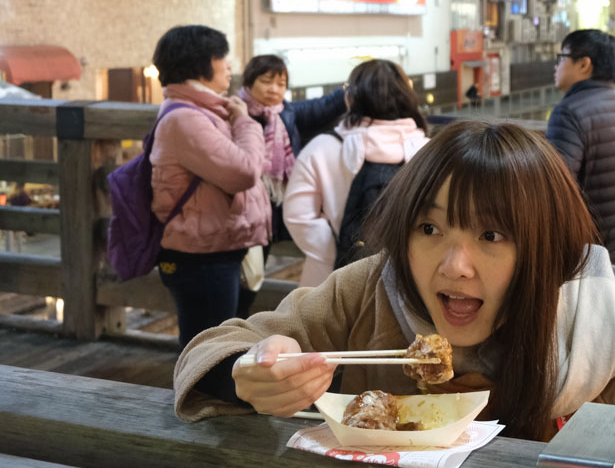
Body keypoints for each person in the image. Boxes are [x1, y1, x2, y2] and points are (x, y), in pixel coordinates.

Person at [169, 121, 615, 451]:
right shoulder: (369, 291)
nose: (455, 267)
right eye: (430, 229)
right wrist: (248, 372)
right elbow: (214, 346)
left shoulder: (606, 334)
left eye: (492, 234)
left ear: (545, 249)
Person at [148, 25, 269, 348]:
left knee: (213, 343)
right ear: (199, 63)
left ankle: (202, 397)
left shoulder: (201, 111)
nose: (229, 65)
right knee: (207, 350)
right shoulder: (187, 119)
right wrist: (245, 121)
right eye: (221, 57)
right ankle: (195, 400)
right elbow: (244, 171)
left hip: (211, 248)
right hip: (200, 256)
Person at [283, 60, 431, 288]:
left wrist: (339, 248)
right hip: (410, 280)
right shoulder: (428, 152)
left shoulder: (322, 147)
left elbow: (296, 215)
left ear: (350, 99)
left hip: (328, 282)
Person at [546, 30, 615, 282]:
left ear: (584, 64)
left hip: (591, 258)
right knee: (613, 318)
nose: (556, 66)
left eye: (561, 57)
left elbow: (554, 183)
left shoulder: (569, 112)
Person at [238, 55, 347, 243]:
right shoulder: (235, 113)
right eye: (266, 82)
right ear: (249, 82)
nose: (274, 89)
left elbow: (324, 106)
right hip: (245, 207)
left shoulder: (288, 112)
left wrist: (351, 87)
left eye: (281, 84)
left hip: (279, 206)